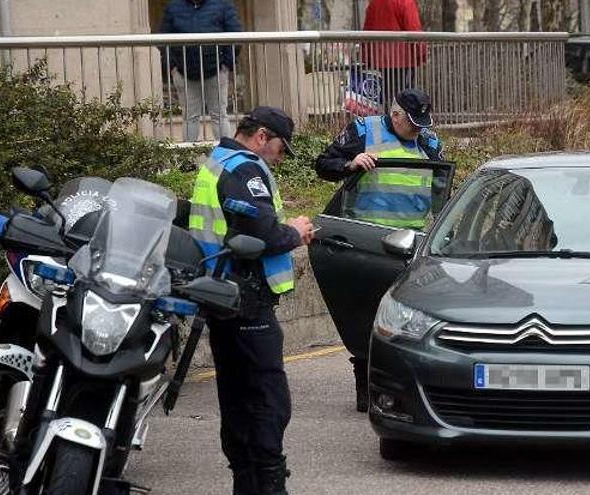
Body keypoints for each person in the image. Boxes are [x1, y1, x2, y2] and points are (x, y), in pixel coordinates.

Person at [188, 106, 314, 495]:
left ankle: (246, 483)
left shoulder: (217, 161)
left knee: (238, 396)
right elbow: (262, 236)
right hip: (246, 299)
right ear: (261, 136)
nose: (278, 158)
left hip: (221, 295)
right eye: (279, 149)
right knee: (266, 399)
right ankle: (269, 485)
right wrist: (294, 232)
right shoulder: (245, 169)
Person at [314, 88, 444, 412]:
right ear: (395, 114)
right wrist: (350, 162)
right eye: (412, 123)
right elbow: (323, 165)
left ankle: (405, 386)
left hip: (412, 246)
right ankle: (365, 384)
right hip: (367, 241)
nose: (418, 130)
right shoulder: (364, 130)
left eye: (422, 124)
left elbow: (442, 189)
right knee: (366, 317)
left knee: (405, 323)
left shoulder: (429, 142)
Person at [160, 0, 243, 142]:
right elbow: (162, 39)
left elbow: (236, 36)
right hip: (184, 72)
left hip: (216, 71)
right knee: (190, 117)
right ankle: (188, 160)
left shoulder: (223, 5)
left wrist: (226, 65)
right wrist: (173, 67)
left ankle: (225, 158)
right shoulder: (173, 7)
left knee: (219, 116)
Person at [362, 0, 426, 110]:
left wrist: (367, 57)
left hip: (381, 60)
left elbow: (367, 30)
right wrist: (421, 53)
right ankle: (403, 124)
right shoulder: (405, 2)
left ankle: (389, 121)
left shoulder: (374, 3)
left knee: (388, 95)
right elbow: (414, 29)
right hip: (403, 59)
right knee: (405, 97)